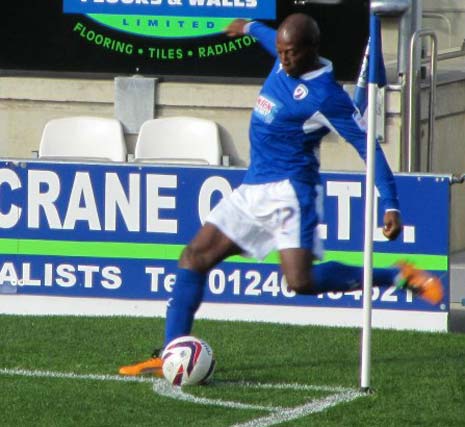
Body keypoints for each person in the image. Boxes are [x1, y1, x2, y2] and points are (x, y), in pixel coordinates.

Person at [119, 14, 443, 376]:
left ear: (310, 51)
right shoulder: (283, 55)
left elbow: (368, 148)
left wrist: (391, 203)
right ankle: (169, 353)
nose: (283, 59)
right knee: (194, 257)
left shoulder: (326, 96)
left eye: (290, 53)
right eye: (280, 52)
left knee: (300, 282)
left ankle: (397, 276)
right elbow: (268, 36)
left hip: (290, 194)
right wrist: (247, 27)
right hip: (253, 187)